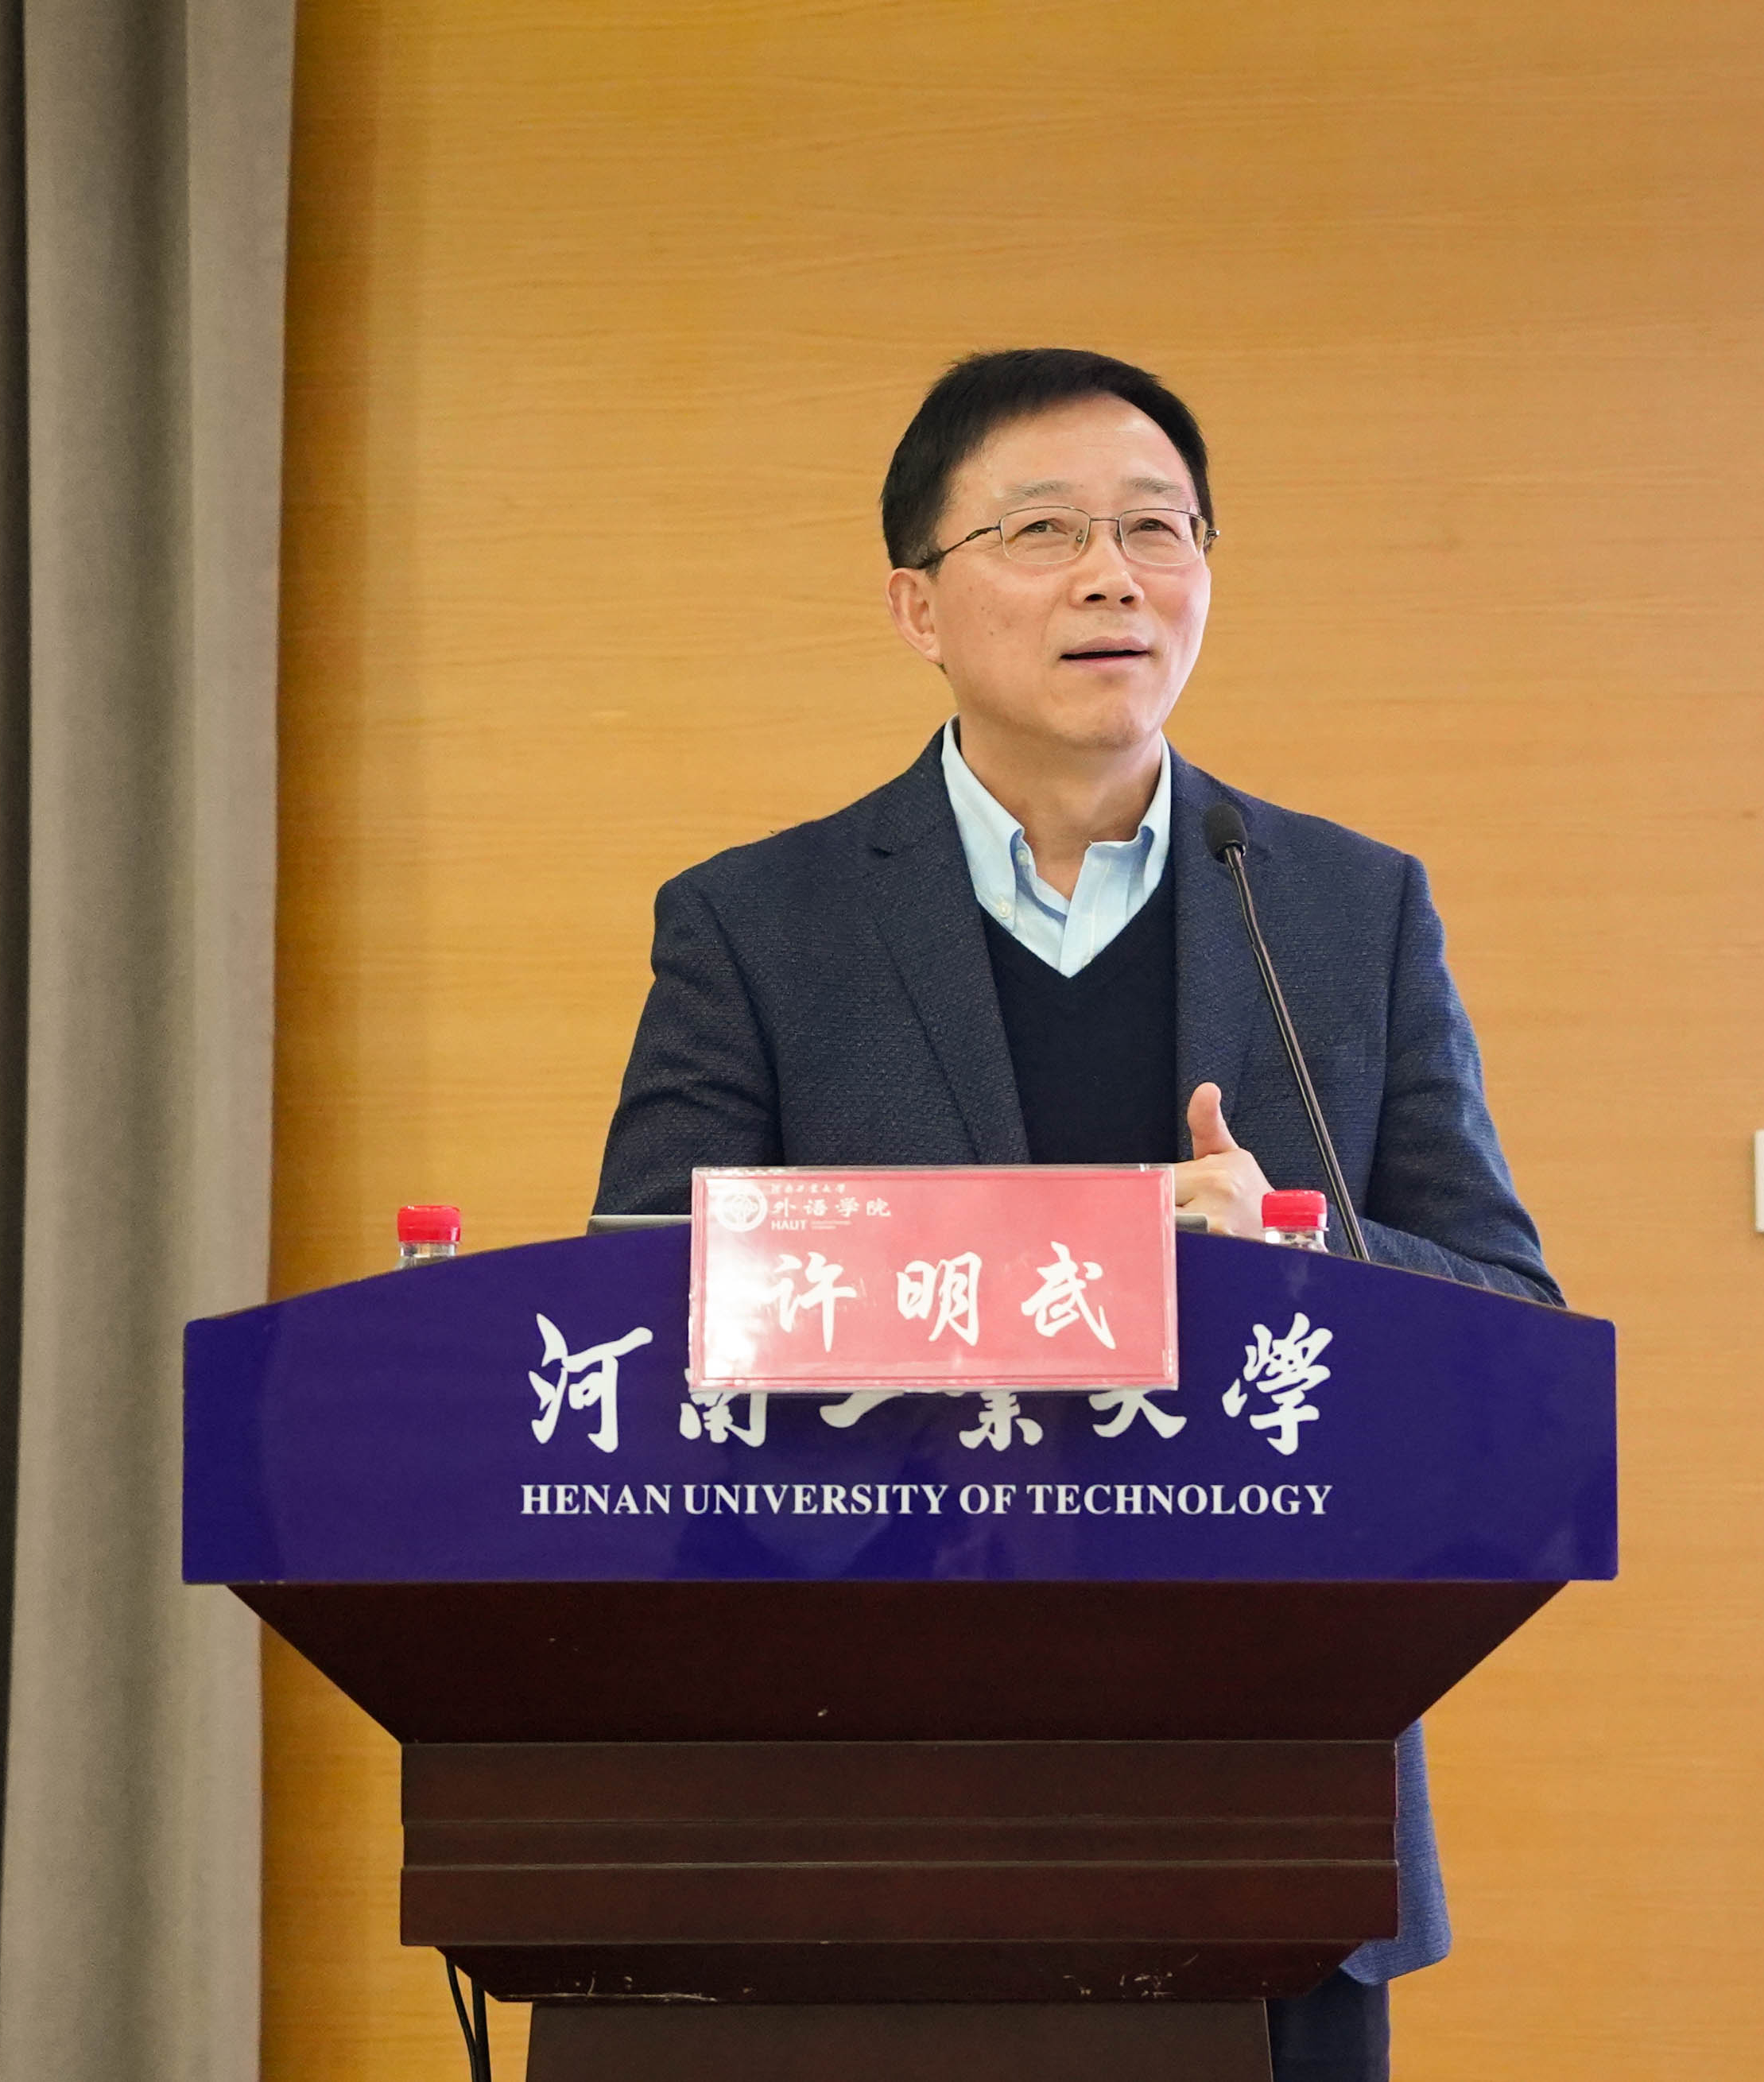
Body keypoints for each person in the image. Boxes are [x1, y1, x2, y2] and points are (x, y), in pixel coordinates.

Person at [595, 347, 1560, 2082]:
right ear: (917, 603)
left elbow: (1513, 1323)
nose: (1113, 575)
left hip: (1265, 1784)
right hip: (854, 1772)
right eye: (1043, 530)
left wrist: (1295, 1253)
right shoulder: (758, 924)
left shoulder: (1344, 909)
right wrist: (1071, 1261)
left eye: (1155, 528)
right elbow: (642, 1308)